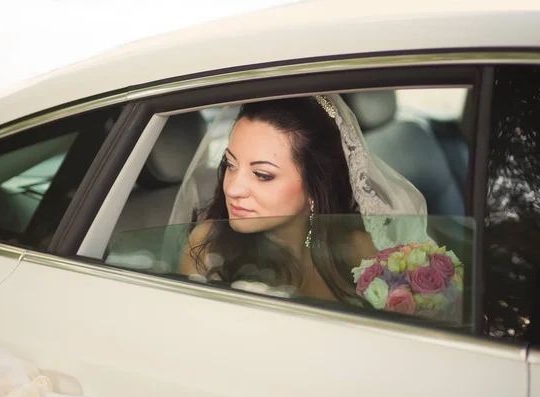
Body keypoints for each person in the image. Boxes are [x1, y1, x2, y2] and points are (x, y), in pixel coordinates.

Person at [178, 94, 430, 304]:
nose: (233, 188)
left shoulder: (364, 251)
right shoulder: (209, 245)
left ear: (313, 187)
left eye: (262, 175)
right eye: (230, 165)